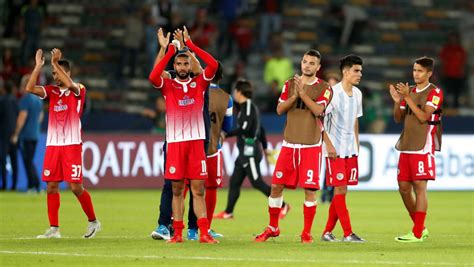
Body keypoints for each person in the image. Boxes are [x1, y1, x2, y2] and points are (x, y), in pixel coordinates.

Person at [148, 26, 218, 244]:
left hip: (196, 144)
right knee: (177, 190)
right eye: (178, 63)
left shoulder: (200, 83)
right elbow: (152, 76)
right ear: (174, 66)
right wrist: (169, 50)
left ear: (190, 65)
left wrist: (190, 45)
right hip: (176, 144)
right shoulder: (167, 86)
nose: (182, 67)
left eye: (186, 63)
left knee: (198, 190)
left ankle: (203, 232)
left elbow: (214, 65)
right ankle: (177, 233)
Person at [255, 50, 333, 243]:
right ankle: (273, 227)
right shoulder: (289, 84)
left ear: (318, 67)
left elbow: (318, 110)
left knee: (310, 190)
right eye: (305, 61)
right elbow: (280, 109)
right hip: (289, 145)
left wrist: (302, 94)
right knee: (276, 186)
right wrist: (294, 96)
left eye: (312, 63)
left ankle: (306, 232)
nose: (307, 65)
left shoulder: (324, 88)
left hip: (310, 146)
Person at [26, 48, 101, 239]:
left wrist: (55, 63)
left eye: (58, 72)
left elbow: (69, 84)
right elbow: (29, 88)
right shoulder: (52, 92)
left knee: (76, 187)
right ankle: (54, 228)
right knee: (51, 186)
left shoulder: (79, 89)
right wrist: (38, 67)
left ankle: (93, 221)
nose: (55, 76)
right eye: (52, 74)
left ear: (68, 73)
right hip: (53, 145)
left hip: (72, 145)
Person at [214, 80, 289, 220]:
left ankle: (283, 205)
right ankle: (228, 212)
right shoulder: (247, 108)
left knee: (257, 182)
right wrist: (266, 147)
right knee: (235, 181)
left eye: (235, 92)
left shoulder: (247, 107)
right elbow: (260, 129)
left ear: (238, 92)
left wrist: (225, 133)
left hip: (250, 153)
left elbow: (245, 129)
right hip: (244, 153)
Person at [389, 57, 443, 242]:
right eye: (414, 70)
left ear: (429, 73)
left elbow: (423, 117)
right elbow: (398, 118)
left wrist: (406, 97)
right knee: (403, 188)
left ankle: (418, 232)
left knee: (420, 188)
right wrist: (398, 101)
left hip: (423, 146)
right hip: (407, 145)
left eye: (420, 71)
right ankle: (420, 227)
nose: (415, 74)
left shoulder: (434, 92)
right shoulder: (409, 90)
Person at [321, 55, 365, 242]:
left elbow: (355, 119)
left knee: (342, 191)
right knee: (339, 190)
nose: (359, 74)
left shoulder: (358, 94)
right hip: (334, 150)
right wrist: (329, 145)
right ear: (345, 72)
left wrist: (357, 142)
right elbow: (319, 120)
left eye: (360, 71)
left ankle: (327, 232)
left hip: (350, 150)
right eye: (356, 70)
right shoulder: (332, 93)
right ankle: (348, 233)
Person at [11, 74, 43, 193]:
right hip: (35, 134)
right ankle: (37, 186)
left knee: (27, 161)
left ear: (25, 85)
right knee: (30, 160)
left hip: (26, 135)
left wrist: (15, 133)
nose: (20, 88)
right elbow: (40, 117)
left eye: (21, 85)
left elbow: (21, 118)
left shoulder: (25, 100)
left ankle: (33, 186)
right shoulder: (37, 100)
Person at [439, 32, 466, 108]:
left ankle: (456, 110)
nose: (453, 40)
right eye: (452, 38)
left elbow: (463, 62)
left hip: (458, 75)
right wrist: (442, 72)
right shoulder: (446, 49)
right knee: (447, 94)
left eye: (455, 38)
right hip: (447, 75)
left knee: (457, 94)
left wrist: (462, 73)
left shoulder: (461, 50)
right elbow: (442, 62)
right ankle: (446, 109)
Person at [0, 79, 19, 190]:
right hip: (14, 135)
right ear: (12, 89)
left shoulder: (1, 101)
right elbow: (18, 116)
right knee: (14, 160)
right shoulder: (16, 101)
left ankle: (4, 184)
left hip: (3, 135)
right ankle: (14, 185)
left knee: (3, 160)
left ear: (3, 89)